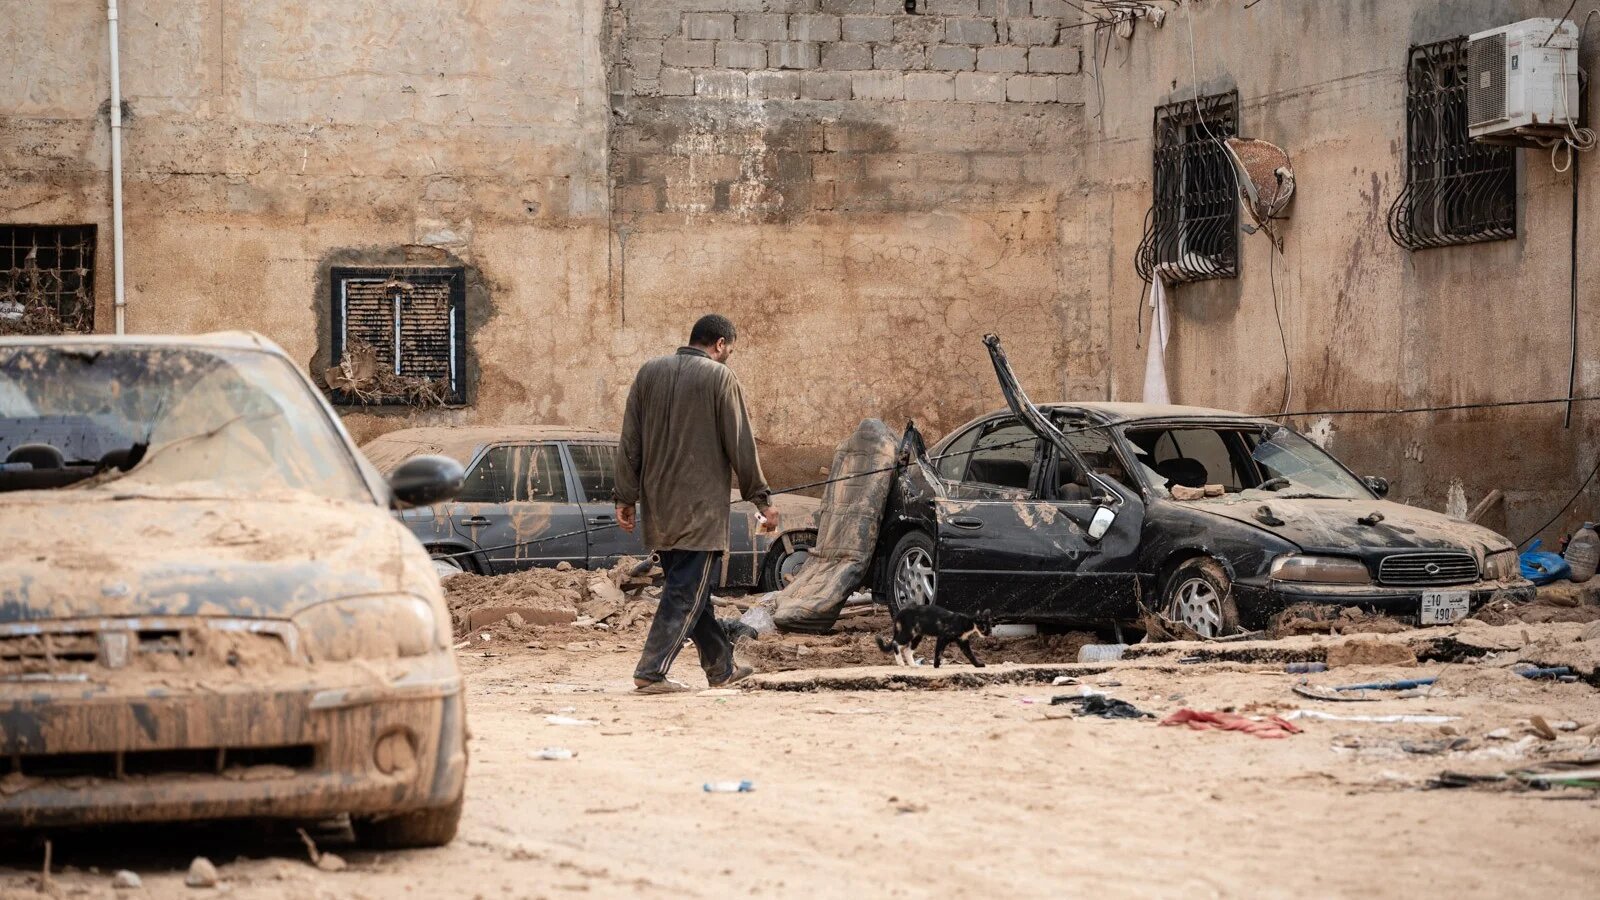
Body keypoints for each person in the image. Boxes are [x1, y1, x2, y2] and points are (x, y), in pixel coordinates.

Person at [614, 314, 779, 694]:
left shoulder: (648, 373)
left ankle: (721, 668)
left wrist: (625, 496)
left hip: (659, 511)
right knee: (685, 593)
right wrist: (762, 499)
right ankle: (650, 671)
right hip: (699, 514)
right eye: (730, 350)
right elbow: (741, 444)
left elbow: (629, 441)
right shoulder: (719, 377)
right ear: (720, 344)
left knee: (693, 591)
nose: (728, 356)